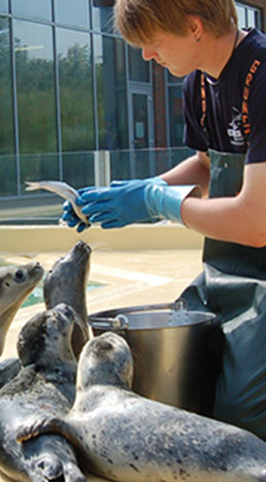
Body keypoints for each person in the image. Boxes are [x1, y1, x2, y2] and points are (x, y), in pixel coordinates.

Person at [64, 0, 266, 440]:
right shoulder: (197, 83)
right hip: (230, 270)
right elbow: (207, 167)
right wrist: (132, 193)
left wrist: (156, 202)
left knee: (241, 413)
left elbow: (256, 221)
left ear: (193, 27)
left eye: (152, 42)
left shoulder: (262, 75)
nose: (146, 56)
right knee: (167, 368)